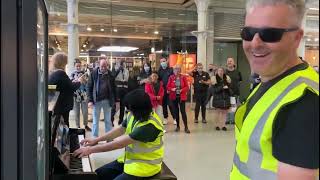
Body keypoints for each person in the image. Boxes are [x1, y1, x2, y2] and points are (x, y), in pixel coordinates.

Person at [230, 0, 319, 179]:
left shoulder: (301, 105)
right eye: (248, 33)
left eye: (270, 34)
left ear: (296, 38)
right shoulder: (271, 80)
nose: (254, 44)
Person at [73, 89, 164, 180]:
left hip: (145, 167)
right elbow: (120, 129)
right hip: (130, 160)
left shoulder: (149, 126)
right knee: (97, 175)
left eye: (130, 109)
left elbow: (118, 144)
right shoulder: (134, 115)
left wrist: (90, 150)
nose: (128, 111)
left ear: (138, 109)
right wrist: (96, 140)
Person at [48, 52, 81, 127]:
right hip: (62, 106)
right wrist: (79, 82)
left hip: (56, 105)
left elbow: (56, 87)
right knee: (64, 126)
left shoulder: (53, 74)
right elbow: (71, 87)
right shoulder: (60, 73)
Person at [87, 58, 116, 137]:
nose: (103, 68)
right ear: (99, 66)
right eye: (102, 66)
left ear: (107, 66)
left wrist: (116, 100)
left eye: (105, 66)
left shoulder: (110, 75)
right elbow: (89, 87)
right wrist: (90, 100)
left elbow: (114, 88)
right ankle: (94, 138)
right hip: (96, 101)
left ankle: (109, 138)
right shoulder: (93, 73)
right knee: (95, 121)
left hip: (107, 100)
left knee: (108, 120)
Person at [167, 65, 190, 133]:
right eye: (175, 69)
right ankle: (177, 126)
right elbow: (168, 87)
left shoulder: (183, 77)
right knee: (176, 112)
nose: (177, 71)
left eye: (178, 69)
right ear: (173, 71)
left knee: (183, 112)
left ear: (180, 70)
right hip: (173, 97)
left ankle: (186, 127)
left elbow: (187, 87)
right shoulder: (171, 77)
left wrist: (182, 90)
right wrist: (172, 89)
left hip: (181, 97)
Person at [70, 59, 91, 131]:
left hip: (84, 94)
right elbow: (71, 84)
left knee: (85, 112)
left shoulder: (84, 73)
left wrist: (84, 80)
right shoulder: (72, 74)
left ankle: (85, 125)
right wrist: (76, 80)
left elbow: (87, 84)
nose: (78, 67)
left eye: (79, 66)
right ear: (74, 66)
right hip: (75, 94)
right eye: (77, 66)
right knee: (77, 112)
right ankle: (78, 126)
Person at [157, 57, 176, 125]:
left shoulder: (170, 70)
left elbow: (173, 79)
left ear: (166, 61)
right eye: (161, 62)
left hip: (170, 90)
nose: (163, 63)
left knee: (171, 105)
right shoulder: (159, 71)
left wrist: (170, 88)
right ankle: (165, 118)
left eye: (164, 61)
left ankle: (174, 118)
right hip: (162, 91)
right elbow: (158, 81)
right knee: (164, 105)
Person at [111, 59, 129, 125]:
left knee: (123, 106)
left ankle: (121, 120)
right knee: (115, 106)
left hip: (125, 90)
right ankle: (111, 120)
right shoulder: (114, 69)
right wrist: (118, 70)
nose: (123, 65)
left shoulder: (126, 70)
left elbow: (127, 79)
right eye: (121, 64)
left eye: (124, 63)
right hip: (117, 90)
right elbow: (113, 77)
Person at [225, 57, 242, 124]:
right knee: (226, 106)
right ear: (226, 63)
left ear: (233, 63)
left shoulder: (238, 72)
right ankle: (227, 120)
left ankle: (232, 120)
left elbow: (240, 81)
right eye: (228, 61)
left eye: (231, 61)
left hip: (235, 92)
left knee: (233, 107)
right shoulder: (224, 72)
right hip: (226, 92)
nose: (229, 62)